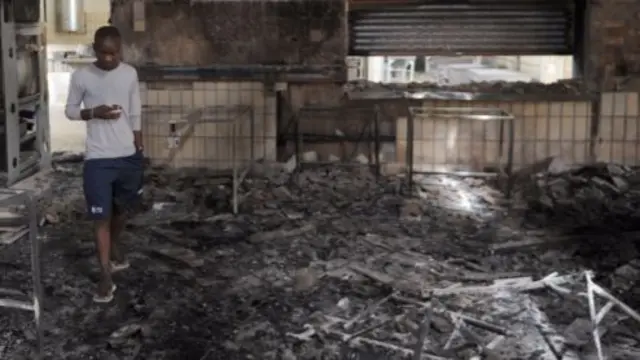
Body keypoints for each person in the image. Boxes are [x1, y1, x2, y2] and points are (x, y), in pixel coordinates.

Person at [65, 25, 143, 303]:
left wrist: (139, 143)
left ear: (120, 50)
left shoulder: (130, 74)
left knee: (122, 210)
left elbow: (135, 111)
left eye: (113, 53)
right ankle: (105, 274)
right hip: (98, 158)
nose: (109, 58)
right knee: (101, 217)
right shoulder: (82, 76)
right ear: (94, 49)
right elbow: (70, 111)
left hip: (127, 155)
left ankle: (115, 244)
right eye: (103, 53)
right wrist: (92, 112)